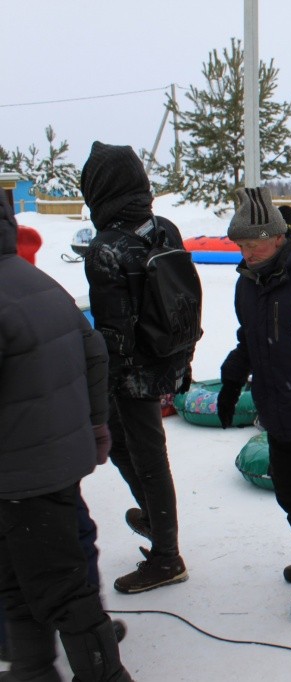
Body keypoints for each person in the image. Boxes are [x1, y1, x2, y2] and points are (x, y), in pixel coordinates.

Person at [0, 191, 133, 681]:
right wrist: (93, 426)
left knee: (63, 593)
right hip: (48, 465)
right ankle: (32, 671)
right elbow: (92, 349)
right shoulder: (35, 280)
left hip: (21, 476)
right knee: (19, 584)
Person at [217, 186, 291, 620]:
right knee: (288, 494)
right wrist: (231, 381)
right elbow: (248, 338)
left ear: (278, 236)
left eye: (251, 244)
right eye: (239, 246)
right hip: (276, 410)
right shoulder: (249, 283)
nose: (245, 253)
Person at [81, 141, 192, 594]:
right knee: (141, 452)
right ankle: (154, 519)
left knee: (143, 456)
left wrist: (98, 388)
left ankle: (166, 555)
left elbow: (111, 335)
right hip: (168, 356)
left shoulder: (106, 248)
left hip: (131, 373)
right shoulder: (164, 228)